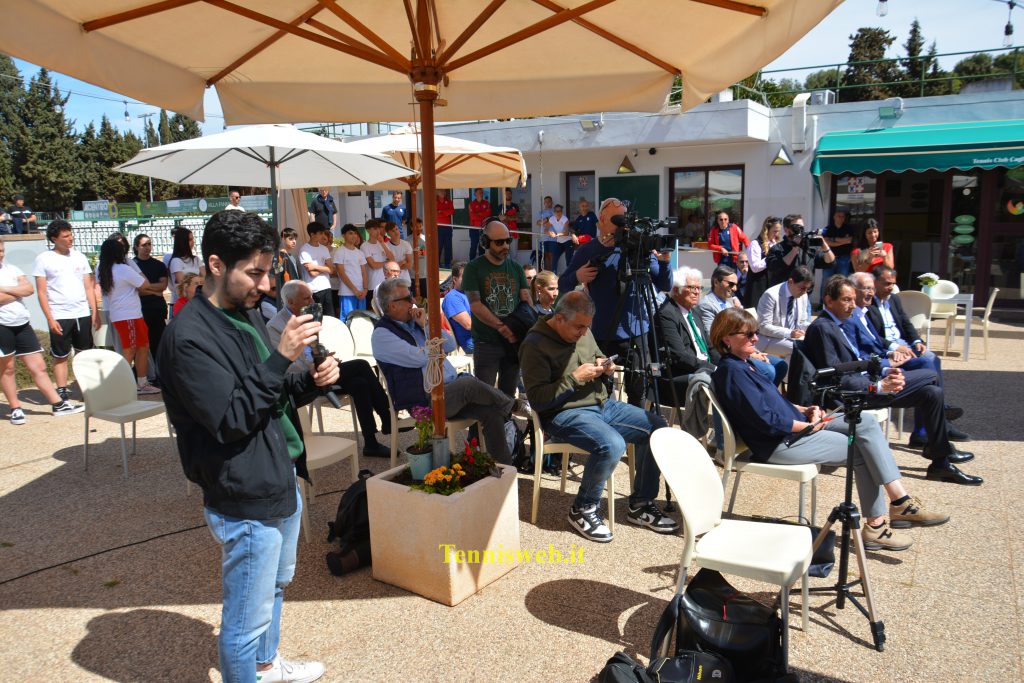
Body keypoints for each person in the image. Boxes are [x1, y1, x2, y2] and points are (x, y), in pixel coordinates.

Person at [158, 209, 334, 683]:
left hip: (280, 474)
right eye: (253, 273)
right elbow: (231, 419)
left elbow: (267, 394)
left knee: (276, 586)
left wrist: (311, 381)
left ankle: (266, 665)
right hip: (243, 491)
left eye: (269, 270)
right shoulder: (188, 337)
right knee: (244, 619)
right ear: (216, 265)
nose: (265, 284)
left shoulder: (246, 313)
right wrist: (281, 358)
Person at [709, 307, 949, 552]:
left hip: (794, 429)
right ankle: (879, 524)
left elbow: (774, 403)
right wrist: (809, 425)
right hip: (780, 443)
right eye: (748, 334)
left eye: (756, 333)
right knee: (862, 448)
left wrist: (804, 409)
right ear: (726, 338)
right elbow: (766, 420)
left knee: (863, 421)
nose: (755, 339)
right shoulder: (732, 372)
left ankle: (899, 501)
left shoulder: (745, 364)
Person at [520, 291, 678, 543]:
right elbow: (538, 400)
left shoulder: (582, 329)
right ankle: (583, 508)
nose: (584, 332)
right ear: (559, 318)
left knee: (656, 428)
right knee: (612, 444)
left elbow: (595, 354)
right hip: (563, 413)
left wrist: (605, 365)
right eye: (579, 327)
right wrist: (574, 379)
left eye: (587, 327)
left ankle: (641, 504)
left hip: (602, 405)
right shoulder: (534, 344)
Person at [804, 276, 982, 486]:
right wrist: (878, 386)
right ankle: (939, 441)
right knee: (930, 374)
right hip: (852, 397)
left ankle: (940, 463)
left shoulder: (841, 323)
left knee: (931, 393)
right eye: (846, 300)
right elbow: (835, 378)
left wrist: (887, 371)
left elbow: (858, 362)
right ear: (828, 300)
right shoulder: (823, 328)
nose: (853, 305)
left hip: (866, 385)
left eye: (853, 299)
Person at [371, 277, 521, 464]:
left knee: (491, 413)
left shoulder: (417, 324)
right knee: (468, 384)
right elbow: (418, 357)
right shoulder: (382, 334)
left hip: (449, 392)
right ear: (392, 306)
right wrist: (433, 345)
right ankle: (512, 405)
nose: (414, 302)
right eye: (408, 298)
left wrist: (426, 325)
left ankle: (505, 468)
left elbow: (450, 344)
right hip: (425, 401)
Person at [558, 197, 673, 406]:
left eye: (625, 221)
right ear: (601, 220)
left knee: (638, 391)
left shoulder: (638, 247)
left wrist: (665, 263)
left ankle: (637, 434)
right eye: (617, 220)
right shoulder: (587, 250)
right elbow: (563, 283)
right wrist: (578, 276)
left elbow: (664, 284)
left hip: (636, 330)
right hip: (602, 332)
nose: (623, 226)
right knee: (601, 391)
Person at [269, 280, 391, 458]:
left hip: (321, 370)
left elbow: (313, 348)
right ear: (290, 302)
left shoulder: (307, 315)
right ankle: (387, 417)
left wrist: (326, 356)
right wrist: (316, 364)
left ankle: (371, 442)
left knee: (359, 383)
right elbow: (286, 364)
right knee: (361, 365)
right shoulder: (275, 326)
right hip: (304, 380)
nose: (312, 301)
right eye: (306, 298)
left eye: (311, 297)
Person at [849, 270, 968, 443]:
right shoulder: (865, 306)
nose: (891, 288)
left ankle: (928, 427)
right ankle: (934, 422)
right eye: (887, 283)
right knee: (928, 364)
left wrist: (917, 340)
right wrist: (895, 349)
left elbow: (906, 323)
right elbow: (873, 339)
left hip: (903, 345)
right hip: (889, 351)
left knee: (932, 359)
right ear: (876, 283)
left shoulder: (894, 299)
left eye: (893, 283)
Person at [0, 239, 83, 423]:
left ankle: (58, 404)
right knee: (7, 368)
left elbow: (29, 289)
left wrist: (5, 289)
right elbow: (19, 291)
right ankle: (15, 408)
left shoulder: (11, 269)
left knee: (38, 366)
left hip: (21, 323)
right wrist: (16, 291)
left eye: (2, 250)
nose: (1, 254)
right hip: (2, 326)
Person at [463, 220, 531, 398]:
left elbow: (526, 299)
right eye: (499, 242)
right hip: (487, 343)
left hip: (513, 342)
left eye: (508, 241)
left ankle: (506, 424)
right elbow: (475, 305)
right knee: (484, 396)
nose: (505, 246)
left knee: (508, 394)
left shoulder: (516, 267)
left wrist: (525, 326)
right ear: (485, 242)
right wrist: (501, 327)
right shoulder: (473, 268)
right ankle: (481, 427)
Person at [32, 220, 99, 402]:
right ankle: (61, 390)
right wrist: (50, 318)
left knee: (84, 354)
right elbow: (42, 292)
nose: (71, 239)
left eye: (71, 234)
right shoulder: (44, 259)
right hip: (60, 314)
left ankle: (87, 387)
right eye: (66, 236)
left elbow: (88, 287)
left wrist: (94, 312)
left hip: (82, 313)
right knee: (60, 355)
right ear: (54, 238)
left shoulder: (80, 257)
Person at [696, 265, 786, 386]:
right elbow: (714, 337)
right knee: (768, 371)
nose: (734, 288)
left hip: (743, 347)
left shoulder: (729, 303)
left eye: (736, 285)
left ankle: (768, 397)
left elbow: (747, 330)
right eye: (731, 284)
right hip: (729, 353)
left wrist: (756, 352)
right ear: (716, 282)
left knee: (781, 365)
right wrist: (750, 354)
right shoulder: (707, 305)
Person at [97, 239, 160, 394]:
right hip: (129, 315)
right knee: (130, 350)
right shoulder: (123, 269)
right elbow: (144, 284)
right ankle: (121, 384)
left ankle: (141, 382)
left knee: (142, 347)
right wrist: (136, 269)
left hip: (126, 315)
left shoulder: (105, 269)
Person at [656, 266, 718, 404]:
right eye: (691, 287)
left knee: (736, 373)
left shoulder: (694, 312)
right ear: (676, 290)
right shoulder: (667, 313)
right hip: (681, 374)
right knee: (725, 382)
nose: (696, 292)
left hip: (702, 368)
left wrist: (725, 364)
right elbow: (679, 355)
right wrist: (712, 369)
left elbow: (710, 347)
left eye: (699, 288)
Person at [754, 265, 813, 361]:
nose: (805, 292)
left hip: (791, 339)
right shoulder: (771, 295)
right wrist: (790, 333)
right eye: (802, 288)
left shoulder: (803, 295)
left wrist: (813, 327)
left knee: (815, 345)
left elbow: (801, 322)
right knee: (801, 348)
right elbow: (763, 327)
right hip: (768, 339)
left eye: (808, 289)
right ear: (790, 282)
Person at [766, 214, 835, 286]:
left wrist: (825, 245)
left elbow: (830, 263)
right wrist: (795, 248)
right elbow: (776, 268)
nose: (800, 231)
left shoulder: (808, 247)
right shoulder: (777, 249)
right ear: (786, 230)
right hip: (782, 294)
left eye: (802, 228)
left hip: (805, 294)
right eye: (797, 228)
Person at [132, 233, 169, 367]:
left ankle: (160, 372)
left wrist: (146, 288)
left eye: (149, 244)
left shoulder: (158, 265)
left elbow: (163, 286)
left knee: (158, 342)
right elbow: (137, 290)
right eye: (144, 245)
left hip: (157, 309)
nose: (147, 247)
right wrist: (154, 290)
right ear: (136, 247)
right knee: (142, 345)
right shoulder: (132, 265)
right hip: (140, 309)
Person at [298, 222, 336, 318]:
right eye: (320, 233)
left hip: (326, 287)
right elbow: (312, 274)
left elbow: (331, 269)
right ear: (312, 234)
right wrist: (325, 268)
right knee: (316, 319)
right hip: (313, 290)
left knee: (330, 318)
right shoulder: (304, 250)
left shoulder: (324, 249)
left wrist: (315, 266)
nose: (322, 236)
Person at [743, 216, 781, 307]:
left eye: (779, 231)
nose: (777, 234)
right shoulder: (755, 244)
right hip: (757, 287)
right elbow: (755, 267)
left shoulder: (775, 244)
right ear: (767, 229)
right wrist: (770, 256)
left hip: (771, 285)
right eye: (775, 231)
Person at [334, 224, 369, 318]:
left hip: (361, 292)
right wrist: (355, 290)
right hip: (347, 292)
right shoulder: (340, 252)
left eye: (355, 233)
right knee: (348, 319)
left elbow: (364, 272)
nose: (354, 236)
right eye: (350, 233)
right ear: (343, 235)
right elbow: (341, 273)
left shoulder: (360, 253)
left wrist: (365, 289)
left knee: (362, 320)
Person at [168, 227, 205, 311]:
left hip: (197, 301)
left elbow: (206, 278)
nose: (193, 242)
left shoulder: (196, 259)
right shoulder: (176, 261)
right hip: (183, 303)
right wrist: (198, 280)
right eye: (190, 239)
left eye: (193, 239)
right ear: (182, 242)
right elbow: (183, 284)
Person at [441, 261, 474, 354]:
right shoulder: (453, 298)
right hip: (471, 342)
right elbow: (469, 325)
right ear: (455, 279)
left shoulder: (469, 294)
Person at [361, 219, 394, 299]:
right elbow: (373, 265)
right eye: (375, 229)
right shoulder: (364, 246)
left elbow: (392, 259)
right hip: (372, 286)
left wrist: (382, 243)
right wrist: (386, 262)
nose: (378, 231)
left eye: (378, 228)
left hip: (385, 285)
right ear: (368, 231)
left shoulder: (382, 244)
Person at [820, 208, 854, 278]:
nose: (841, 218)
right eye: (839, 216)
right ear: (834, 217)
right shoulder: (827, 229)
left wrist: (833, 239)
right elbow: (826, 242)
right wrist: (843, 242)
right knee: (826, 281)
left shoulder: (849, 228)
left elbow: (849, 240)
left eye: (843, 216)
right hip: (829, 259)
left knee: (842, 281)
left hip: (844, 259)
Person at [273, 227, 301, 303]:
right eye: (291, 239)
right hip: (286, 294)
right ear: (283, 239)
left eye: (295, 239)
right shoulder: (279, 256)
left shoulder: (291, 256)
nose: (294, 242)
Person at [547, 204, 576, 273]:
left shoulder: (565, 219)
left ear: (562, 212)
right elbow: (546, 229)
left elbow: (566, 233)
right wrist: (550, 233)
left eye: (559, 211)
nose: (558, 213)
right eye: (556, 211)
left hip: (568, 241)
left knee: (569, 261)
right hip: (559, 242)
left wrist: (556, 234)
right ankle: (554, 277)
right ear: (554, 212)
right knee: (554, 259)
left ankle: (570, 277)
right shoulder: (552, 219)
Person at [468, 188, 492, 260]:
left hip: (483, 228)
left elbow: (488, 214)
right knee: (473, 246)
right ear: (475, 194)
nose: (481, 194)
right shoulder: (471, 204)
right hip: (474, 228)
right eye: (479, 193)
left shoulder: (487, 203)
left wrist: (478, 214)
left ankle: (481, 263)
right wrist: (482, 214)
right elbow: (473, 216)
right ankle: (471, 262)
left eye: (482, 192)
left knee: (482, 247)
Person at [536, 195, 557, 271]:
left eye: (549, 201)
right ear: (544, 203)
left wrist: (544, 221)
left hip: (552, 238)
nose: (547, 203)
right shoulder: (541, 212)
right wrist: (547, 219)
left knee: (552, 256)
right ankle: (547, 274)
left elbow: (553, 221)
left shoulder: (555, 212)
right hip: (543, 238)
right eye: (546, 202)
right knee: (545, 256)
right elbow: (538, 223)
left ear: (552, 202)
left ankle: (552, 274)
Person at [435, 189, 455, 268]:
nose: (443, 193)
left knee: (448, 247)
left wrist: (441, 212)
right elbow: (435, 213)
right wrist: (445, 212)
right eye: (441, 191)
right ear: (437, 192)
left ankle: (447, 264)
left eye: (444, 191)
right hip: (438, 227)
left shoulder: (449, 201)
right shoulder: (434, 201)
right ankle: (437, 265)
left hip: (448, 227)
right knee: (438, 246)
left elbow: (452, 211)